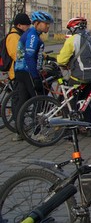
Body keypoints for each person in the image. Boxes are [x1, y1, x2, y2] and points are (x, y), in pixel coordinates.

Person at [13, 11, 54, 141]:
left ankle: (20, 132)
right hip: (27, 71)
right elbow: (30, 57)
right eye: (46, 24)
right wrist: (36, 77)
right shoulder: (32, 36)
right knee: (39, 101)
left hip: (21, 71)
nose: (48, 26)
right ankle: (36, 133)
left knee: (23, 100)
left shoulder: (31, 34)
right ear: (37, 23)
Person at [6, 13, 31, 83]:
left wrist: (45, 56)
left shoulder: (21, 35)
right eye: (26, 25)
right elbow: (17, 55)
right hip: (17, 72)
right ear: (19, 25)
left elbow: (29, 48)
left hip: (23, 70)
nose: (28, 27)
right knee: (21, 93)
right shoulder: (13, 37)